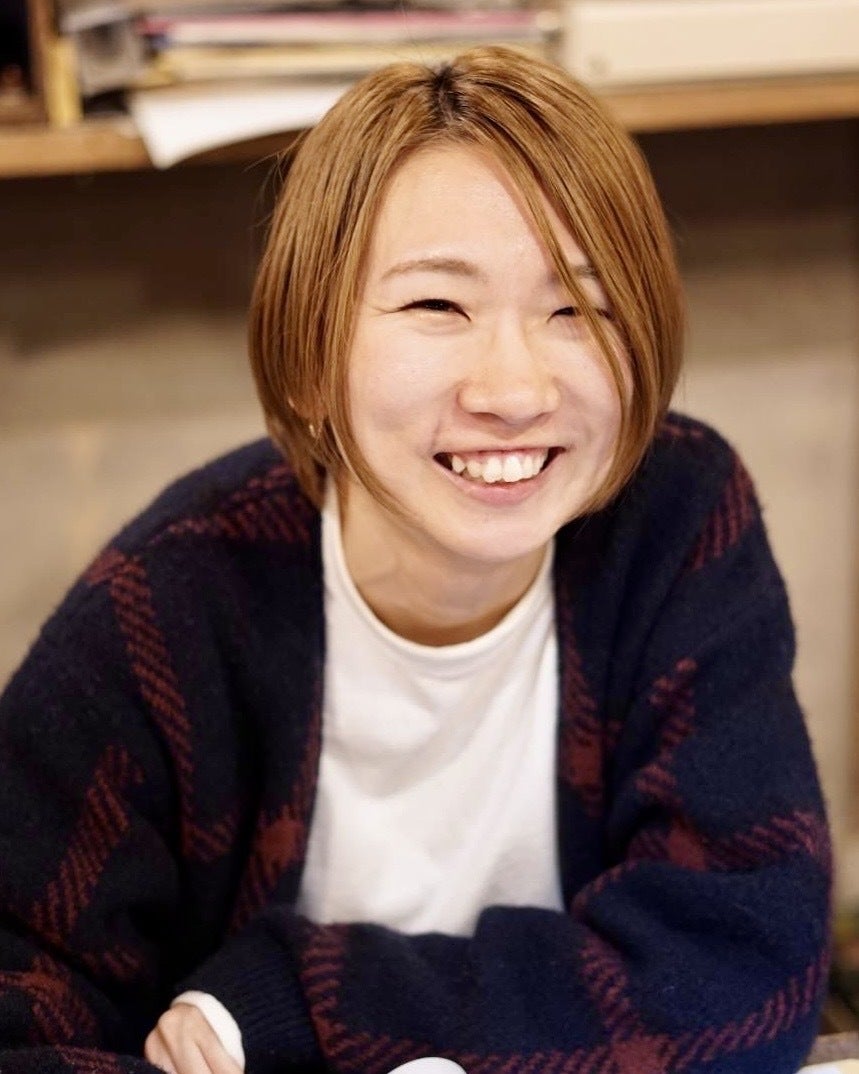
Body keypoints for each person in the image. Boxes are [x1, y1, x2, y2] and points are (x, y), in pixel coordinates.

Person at [0, 44, 831, 1074]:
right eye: (437, 306)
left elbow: (744, 974)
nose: (514, 390)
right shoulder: (172, 603)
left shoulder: (674, 522)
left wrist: (300, 1002)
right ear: (308, 360)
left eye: (579, 308)